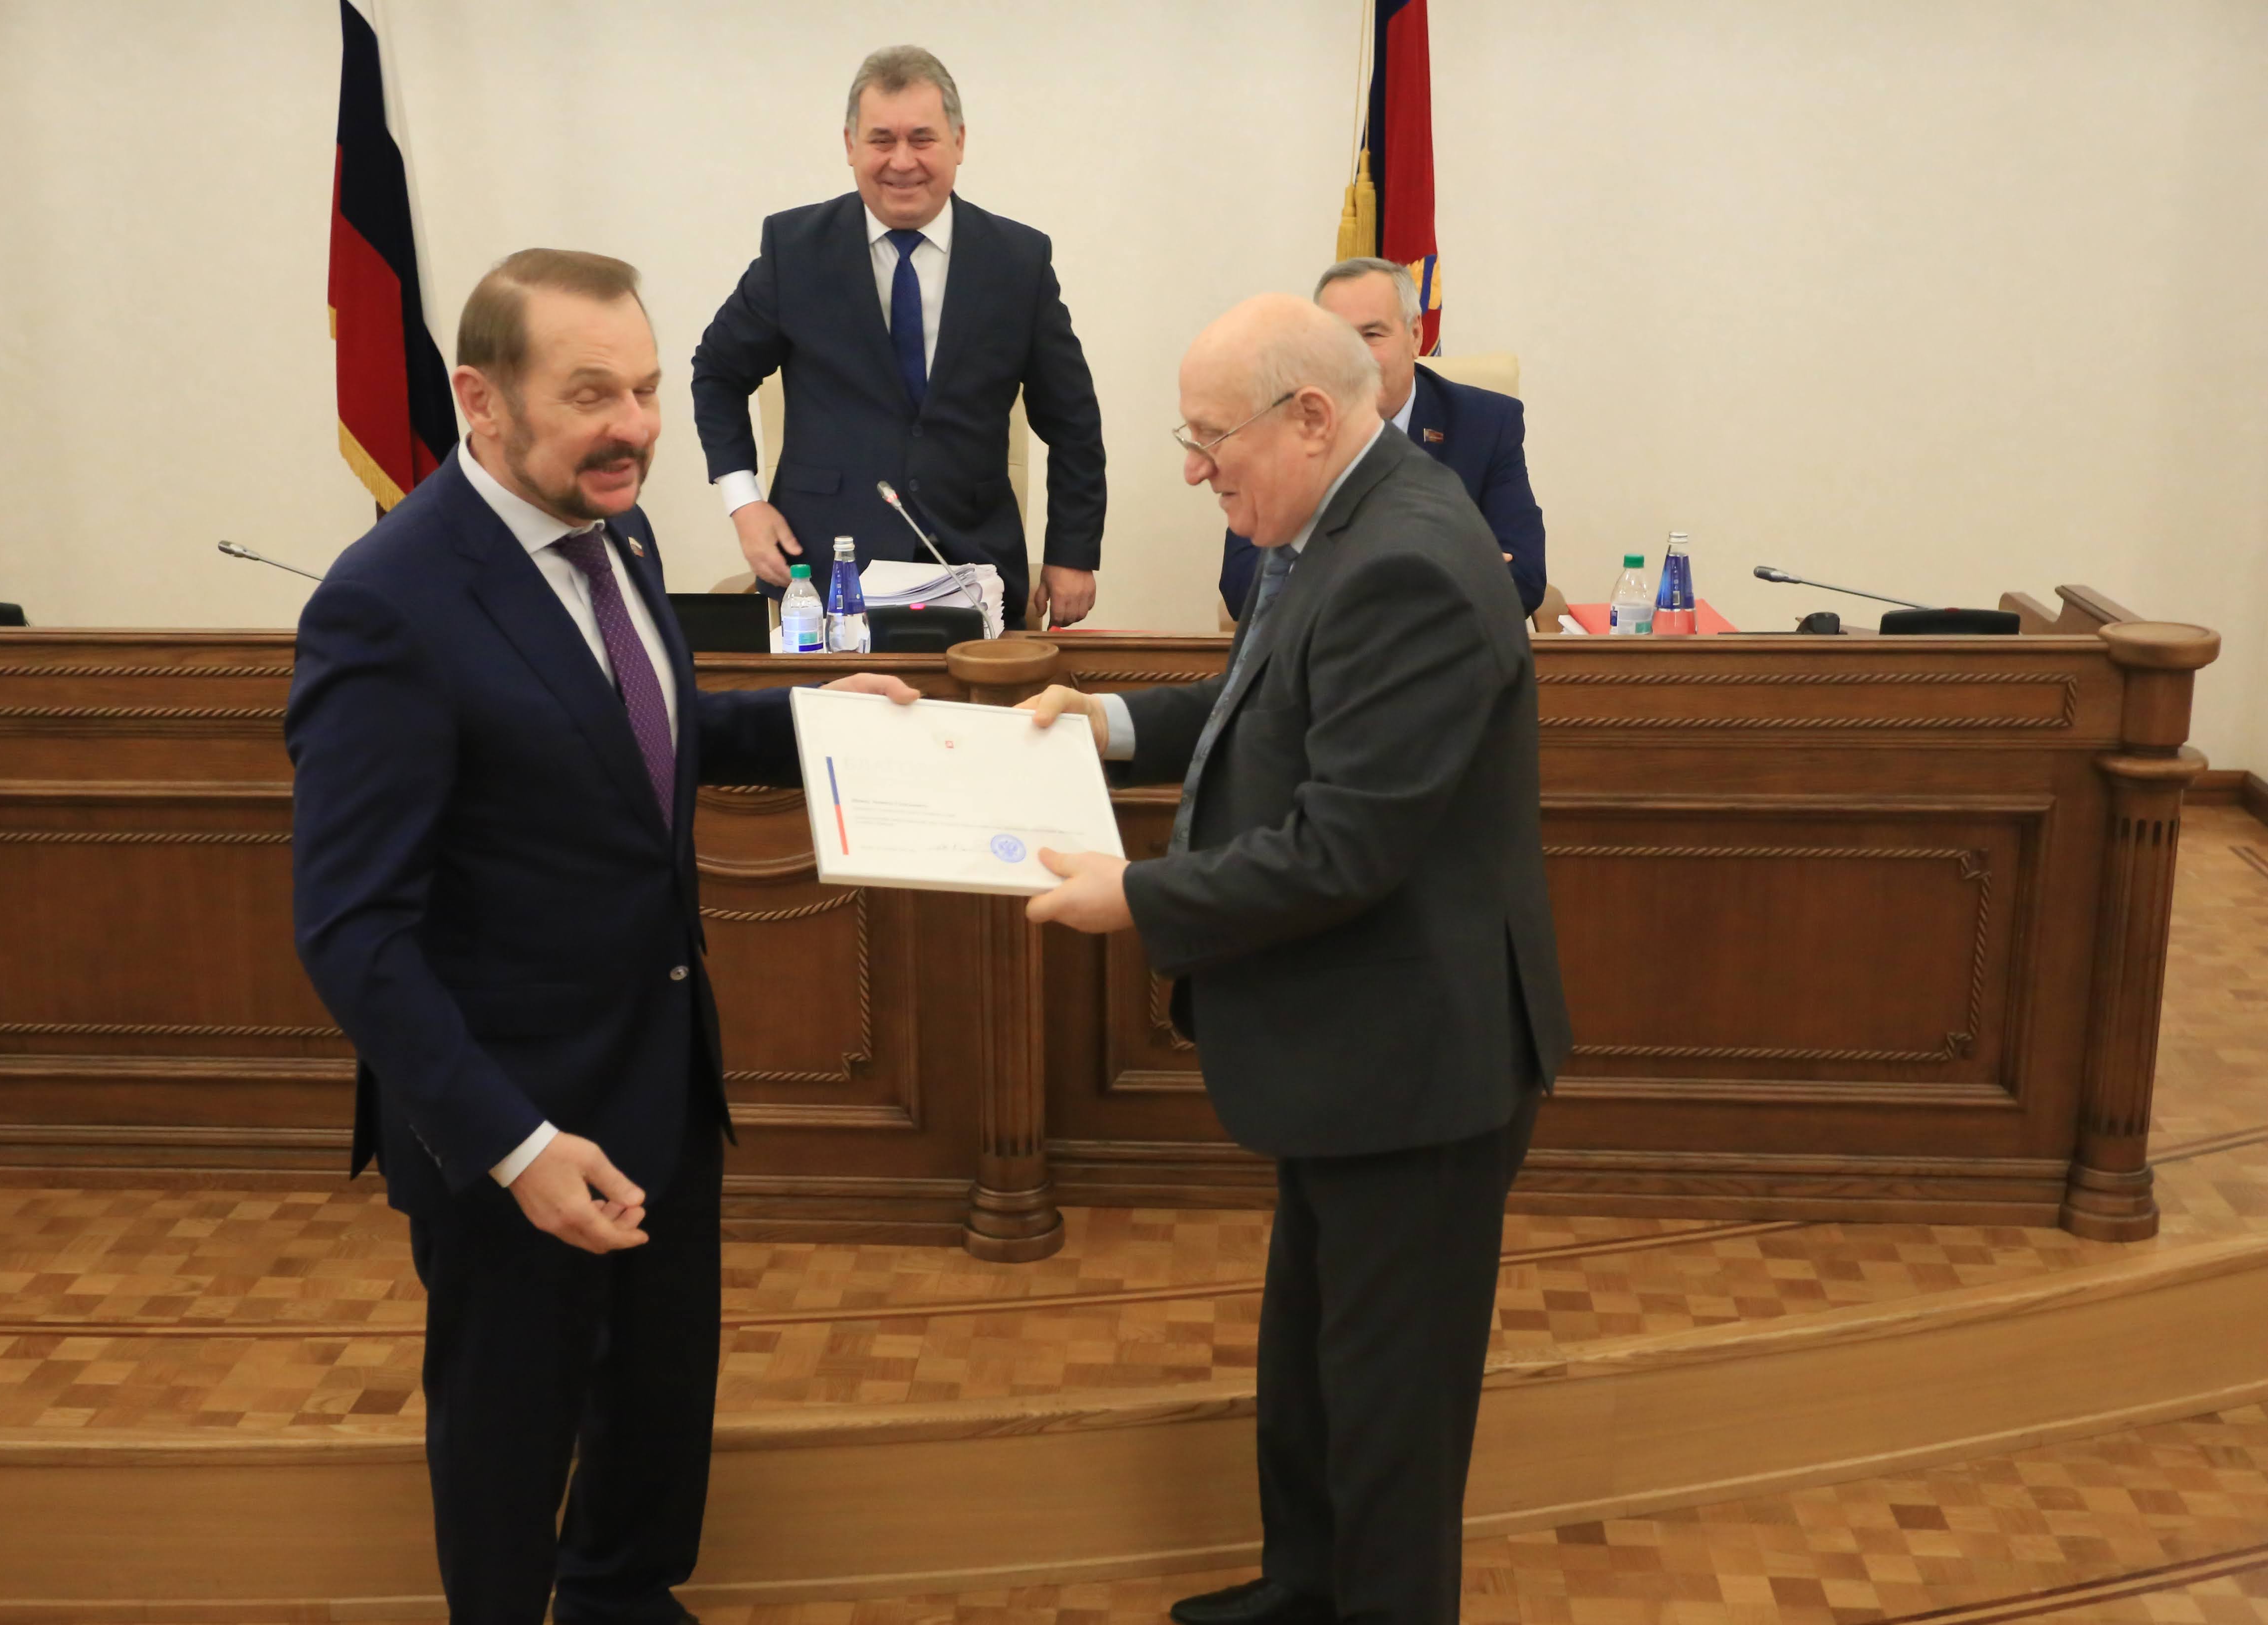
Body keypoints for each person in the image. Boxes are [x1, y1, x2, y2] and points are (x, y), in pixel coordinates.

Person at [287, 248, 914, 1625]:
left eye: (643, 388)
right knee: (509, 1436)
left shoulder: (614, 531)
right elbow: (350, 930)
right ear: (481, 399)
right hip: (513, 1116)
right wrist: (513, 1145)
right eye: (590, 395)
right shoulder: (387, 603)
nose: (633, 426)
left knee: (655, 1398)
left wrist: (816, 719)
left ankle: (623, 1596)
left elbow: (638, 741)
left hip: (659, 1068)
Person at [1022, 294, 1571, 1625]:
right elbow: (1262, 698)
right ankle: (1305, 1590)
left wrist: (1135, 896)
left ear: (1309, 416)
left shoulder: (1408, 562)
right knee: (1316, 1367)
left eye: (1208, 438)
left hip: (1417, 1065)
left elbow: (1342, 847)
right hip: (1356, 1049)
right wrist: (1105, 723)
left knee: (1391, 1415)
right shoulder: (1344, 519)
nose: (1194, 469)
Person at [692, 44, 1107, 628]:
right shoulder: (795, 250)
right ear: (850, 145)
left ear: (958, 142)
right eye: (881, 140)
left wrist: (1071, 552)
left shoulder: (1018, 261)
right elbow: (717, 373)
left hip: (976, 571)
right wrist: (745, 504)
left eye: (922, 138)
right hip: (825, 570)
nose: (902, 161)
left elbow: (1072, 423)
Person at [1218, 258, 1546, 621]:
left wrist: (1322, 578)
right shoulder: (1280, 426)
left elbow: (1523, 576)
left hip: (1438, 652)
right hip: (1317, 653)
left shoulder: (1485, 424)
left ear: (1415, 336)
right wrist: (1438, 574)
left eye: (1372, 335)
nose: (1355, 356)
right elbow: (1242, 584)